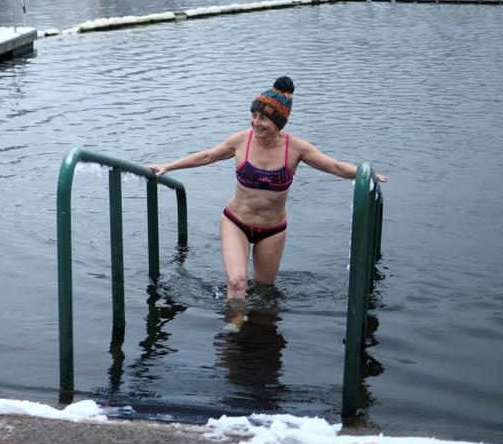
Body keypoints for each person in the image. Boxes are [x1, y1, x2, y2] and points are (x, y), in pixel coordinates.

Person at [148, 77, 386, 308]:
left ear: (279, 122)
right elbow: (208, 155)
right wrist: (170, 165)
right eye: (253, 115)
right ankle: (235, 328)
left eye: (263, 118)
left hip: (272, 230)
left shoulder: (296, 149)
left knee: (264, 293)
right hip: (236, 222)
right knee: (237, 282)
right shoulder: (240, 141)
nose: (255, 122)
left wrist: (365, 175)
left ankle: (258, 336)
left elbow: (334, 165)